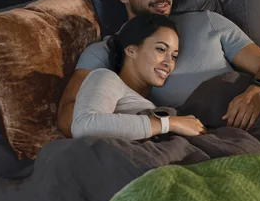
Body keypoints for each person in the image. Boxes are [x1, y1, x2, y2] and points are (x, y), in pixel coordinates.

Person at [58, 0, 260, 137]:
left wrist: (256, 91)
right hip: (194, 136)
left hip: (255, 117)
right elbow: (70, 120)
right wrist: (152, 123)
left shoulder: (208, 22)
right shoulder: (104, 53)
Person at [71, 13, 206, 140]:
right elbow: (84, 125)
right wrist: (169, 123)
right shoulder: (105, 77)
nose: (169, 63)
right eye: (161, 49)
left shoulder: (147, 103)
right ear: (131, 50)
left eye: (174, 56)